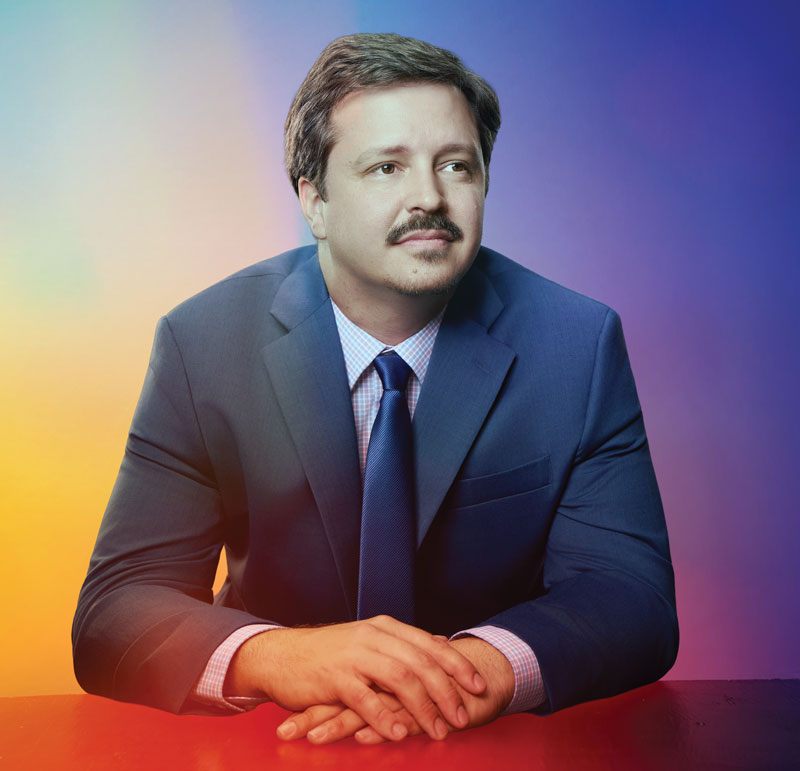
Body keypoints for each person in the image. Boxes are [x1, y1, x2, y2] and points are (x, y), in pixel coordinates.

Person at [73, 32, 678, 746]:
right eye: (386, 167)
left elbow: (632, 598)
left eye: (457, 164)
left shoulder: (576, 344)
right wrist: (279, 656)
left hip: (489, 747)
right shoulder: (203, 343)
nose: (429, 197)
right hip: (279, 739)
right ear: (315, 200)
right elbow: (115, 609)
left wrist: (466, 671)